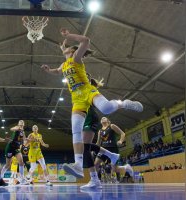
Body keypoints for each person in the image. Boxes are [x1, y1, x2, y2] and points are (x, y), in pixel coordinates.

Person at [41, 28, 142, 180]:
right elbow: (57, 71)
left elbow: (86, 40)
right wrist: (49, 70)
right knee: (75, 129)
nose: (65, 48)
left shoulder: (76, 57)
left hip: (88, 91)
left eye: (67, 48)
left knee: (106, 109)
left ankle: (123, 103)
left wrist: (69, 36)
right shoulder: (64, 64)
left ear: (72, 50)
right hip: (77, 99)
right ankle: (78, 165)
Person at [94, 117, 134, 183]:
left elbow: (122, 133)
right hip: (103, 150)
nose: (103, 118)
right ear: (101, 122)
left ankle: (126, 167)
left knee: (115, 169)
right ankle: (95, 181)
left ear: (108, 120)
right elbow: (98, 143)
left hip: (113, 149)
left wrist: (121, 141)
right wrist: (93, 148)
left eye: (105, 118)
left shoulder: (112, 126)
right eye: (102, 118)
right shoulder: (100, 131)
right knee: (95, 164)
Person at [0, 120, 29, 185]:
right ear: (18, 124)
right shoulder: (16, 128)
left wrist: (30, 140)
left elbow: (24, 140)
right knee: (8, 165)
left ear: (23, 124)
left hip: (16, 148)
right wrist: (17, 128)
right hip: (10, 147)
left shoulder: (23, 132)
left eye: (22, 122)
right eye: (20, 122)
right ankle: (0, 177)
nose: (21, 123)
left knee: (21, 162)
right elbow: (11, 128)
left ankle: (22, 179)